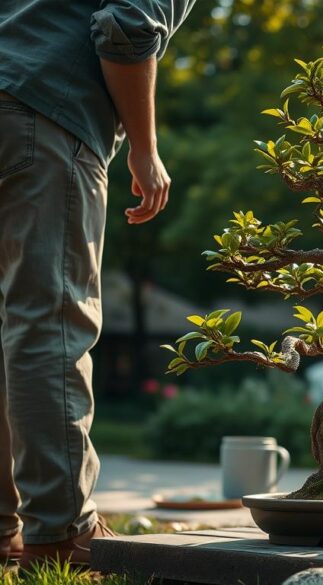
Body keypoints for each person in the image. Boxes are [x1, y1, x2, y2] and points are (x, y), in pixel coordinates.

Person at [0, 0, 195, 566]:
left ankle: (5, 534)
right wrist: (144, 147)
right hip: (44, 111)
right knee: (50, 322)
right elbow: (127, 24)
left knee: (11, 330)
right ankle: (61, 534)